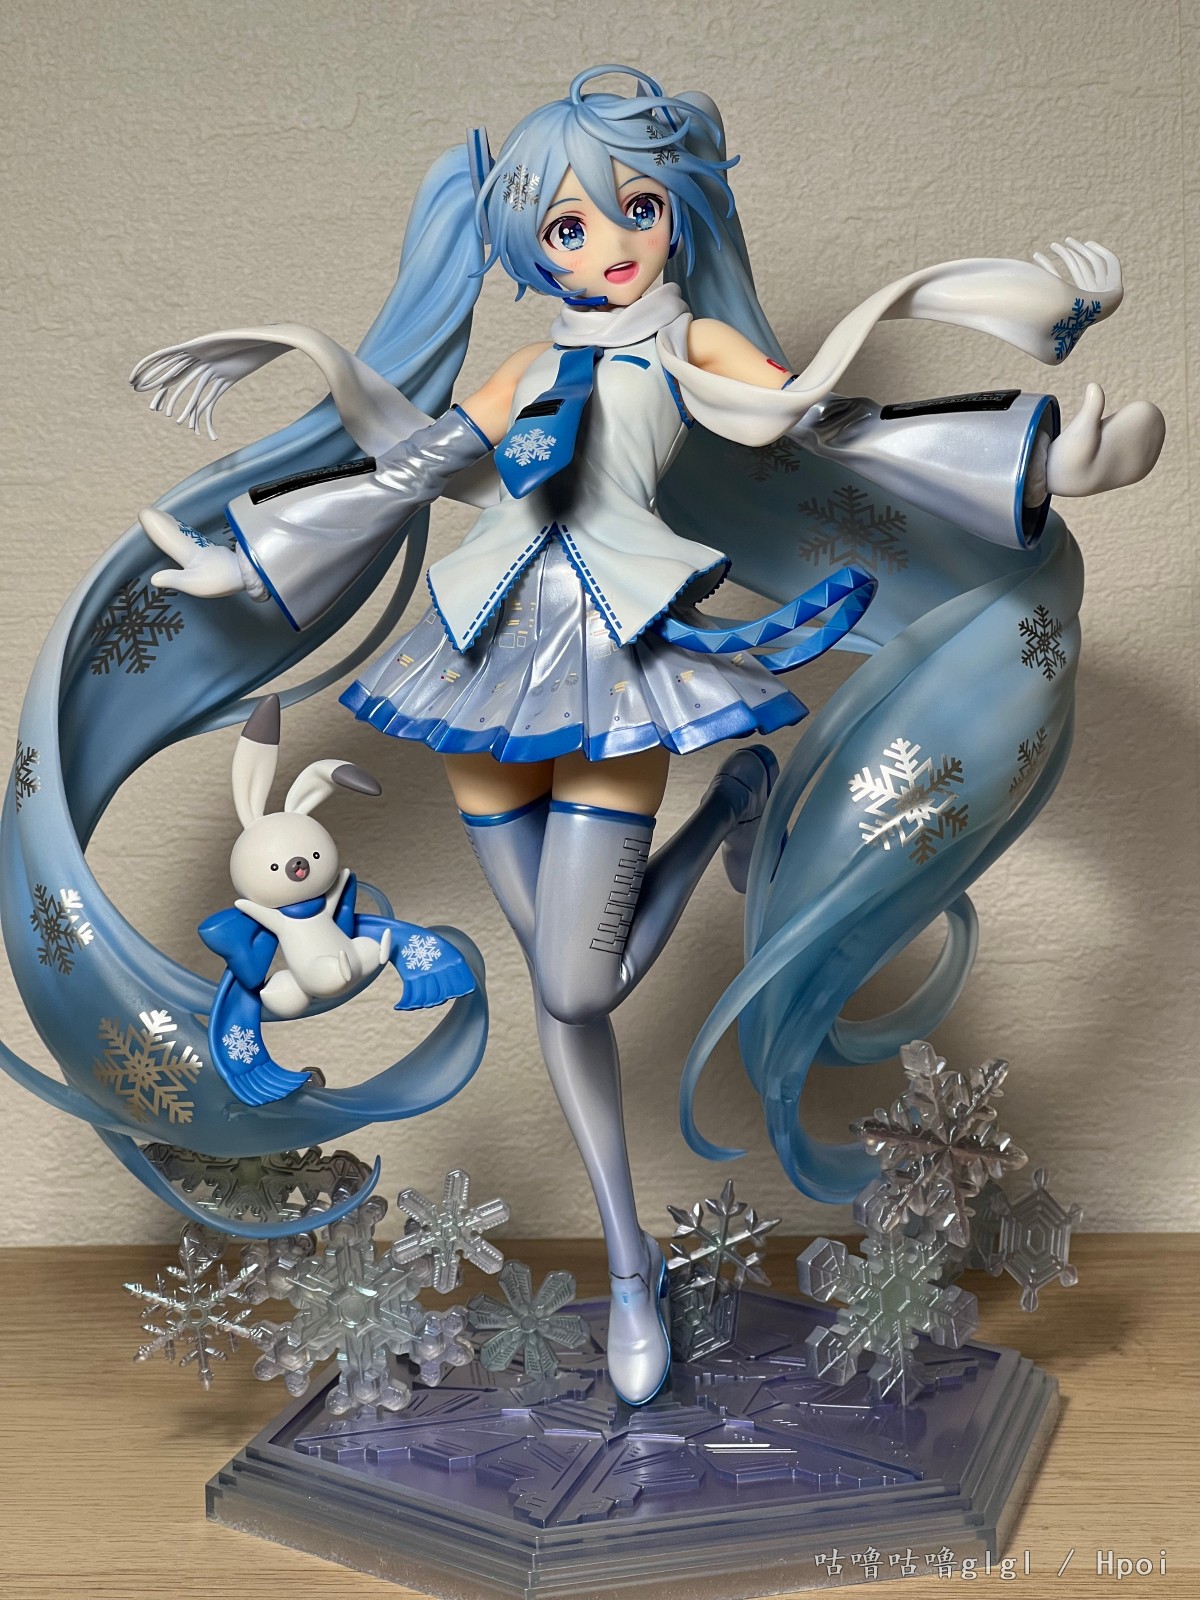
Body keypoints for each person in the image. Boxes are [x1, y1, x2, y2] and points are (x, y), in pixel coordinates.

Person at [3, 65, 1163, 1404]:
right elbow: (407, 472)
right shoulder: (527, 366)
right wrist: (253, 556)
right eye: (568, 225)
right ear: (528, 245)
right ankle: (627, 1257)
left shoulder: (692, 349)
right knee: (570, 997)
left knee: (571, 988)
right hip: (475, 665)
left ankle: (702, 899)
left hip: (620, 668)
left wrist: (1036, 461)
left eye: (637, 209)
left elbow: (829, 426)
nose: (608, 245)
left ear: (679, 216)